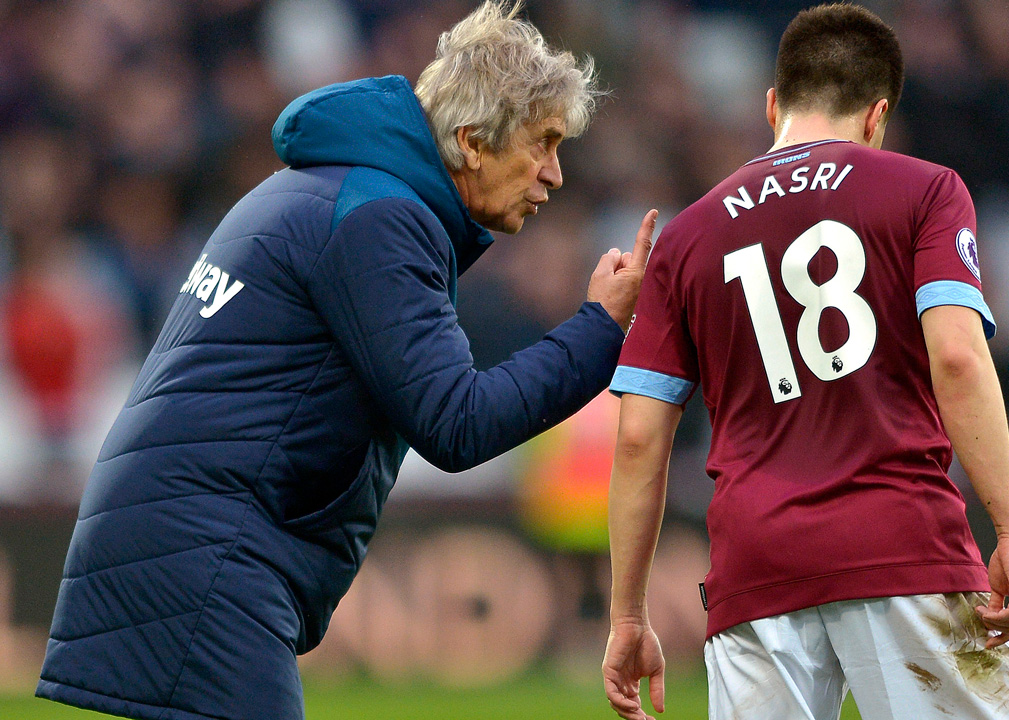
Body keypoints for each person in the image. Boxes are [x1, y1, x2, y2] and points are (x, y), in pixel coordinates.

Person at [36, 3, 656, 719]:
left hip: (173, 540)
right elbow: (457, 425)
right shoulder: (380, 219)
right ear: (472, 141)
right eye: (543, 143)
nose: (554, 174)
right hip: (204, 557)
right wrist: (601, 326)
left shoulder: (335, 192)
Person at [601, 4, 1009, 720]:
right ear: (877, 118)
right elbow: (959, 359)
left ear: (773, 104)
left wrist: (628, 616)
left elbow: (636, 437)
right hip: (902, 542)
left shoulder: (685, 239)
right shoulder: (925, 190)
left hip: (754, 572)